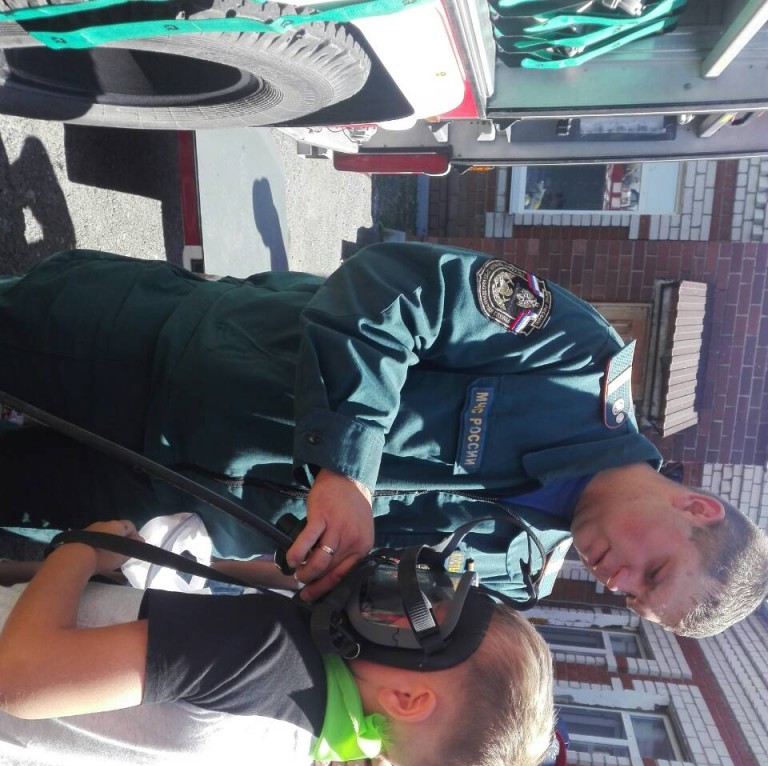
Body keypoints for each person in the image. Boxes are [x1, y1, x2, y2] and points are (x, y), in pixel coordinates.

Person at [0, 244, 764, 635]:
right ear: (696, 507)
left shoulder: (515, 578)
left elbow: (339, 595)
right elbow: (393, 284)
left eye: (634, 599)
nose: (618, 582)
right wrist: (347, 470)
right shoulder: (574, 359)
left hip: (153, 504)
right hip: (157, 352)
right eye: (653, 570)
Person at [0, 522, 554, 766]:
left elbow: (21, 678)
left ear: (408, 699)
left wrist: (80, 550)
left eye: (431, 618)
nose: (416, 598)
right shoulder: (303, 764)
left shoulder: (272, 654)